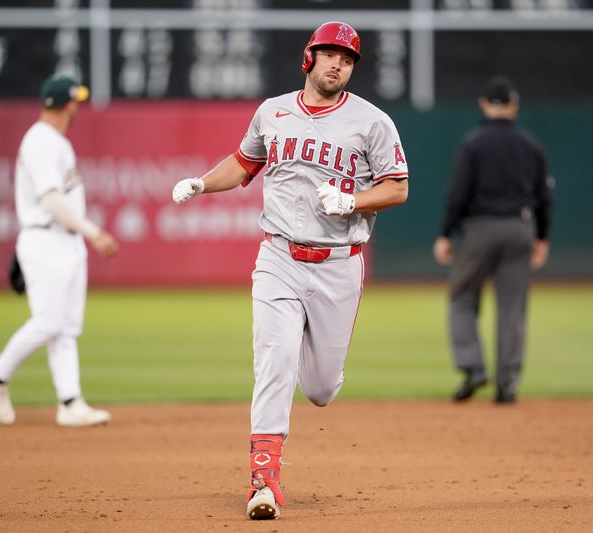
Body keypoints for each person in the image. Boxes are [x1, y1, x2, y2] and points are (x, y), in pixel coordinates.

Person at [171, 21, 408, 520]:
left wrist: (351, 198)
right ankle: (264, 480)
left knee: (320, 388)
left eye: (346, 58)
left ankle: (307, 351)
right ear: (309, 57)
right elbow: (242, 163)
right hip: (278, 257)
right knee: (274, 361)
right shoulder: (272, 112)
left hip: (338, 264)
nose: (337, 64)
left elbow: (397, 188)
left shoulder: (372, 122)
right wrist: (200, 184)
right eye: (329, 54)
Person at [0, 74, 119, 427]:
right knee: (47, 321)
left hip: (65, 241)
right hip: (45, 238)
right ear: (65, 104)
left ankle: (70, 402)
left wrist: (82, 235)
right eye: (76, 100)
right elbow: (52, 200)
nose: (78, 107)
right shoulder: (41, 141)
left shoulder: (56, 141)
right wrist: (94, 232)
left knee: (66, 327)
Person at [432, 75, 553, 405]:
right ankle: (508, 384)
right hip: (520, 228)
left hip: (480, 228)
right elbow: (544, 196)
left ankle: (472, 368)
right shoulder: (532, 145)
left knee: (462, 297)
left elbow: (457, 193)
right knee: (513, 308)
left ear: (484, 105)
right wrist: (542, 236)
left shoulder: (473, 143)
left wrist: (445, 233)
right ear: (514, 106)